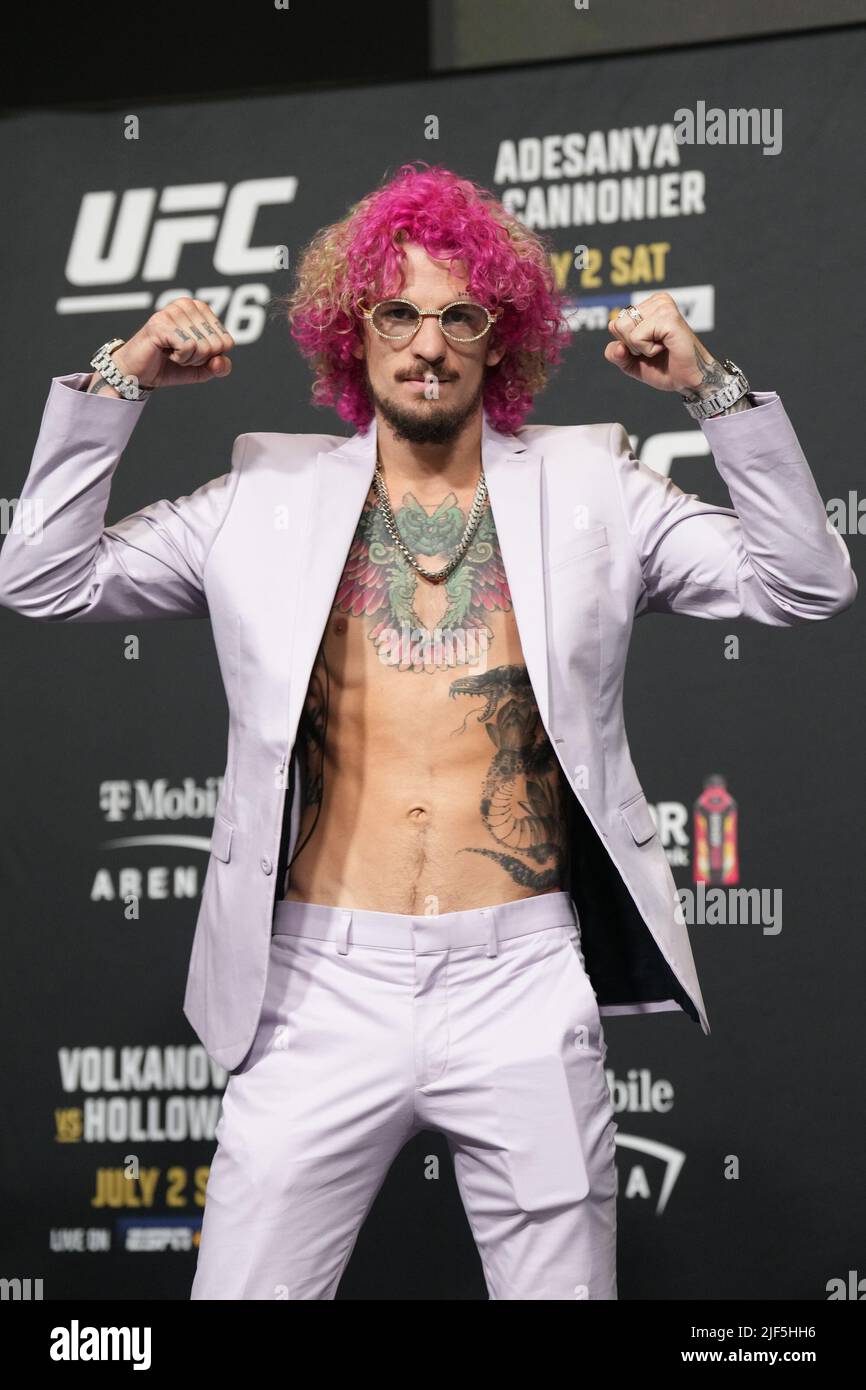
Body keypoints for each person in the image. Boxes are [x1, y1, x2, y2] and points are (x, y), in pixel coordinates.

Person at [0, 164, 856, 1300]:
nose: (427, 343)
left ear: (502, 337)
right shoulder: (260, 498)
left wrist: (712, 389)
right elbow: (43, 580)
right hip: (313, 985)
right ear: (347, 332)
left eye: (460, 314)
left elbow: (804, 584)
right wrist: (121, 380)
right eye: (396, 311)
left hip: (520, 974)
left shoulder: (595, 486)